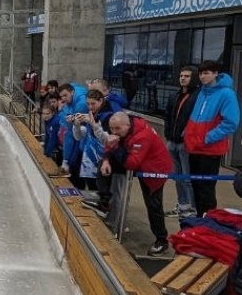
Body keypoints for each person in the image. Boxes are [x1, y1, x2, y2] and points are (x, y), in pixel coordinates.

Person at [101, 112, 173, 255]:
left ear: (127, 125)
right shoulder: (126, 127)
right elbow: (111, 141)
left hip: (154, 170)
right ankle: (103, 200)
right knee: (103, 167)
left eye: (117, 129)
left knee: (153, 205)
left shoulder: (142, 136)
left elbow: (132, 163)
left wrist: (114, 147)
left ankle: (162, 240)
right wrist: (106, 159)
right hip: (138, 160)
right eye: (112, 129)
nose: (114, 132)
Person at [184, 60, 240, 216]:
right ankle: (201, 219)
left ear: (216, 73)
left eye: (206, 73)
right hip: (195, 148)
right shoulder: (202, 92)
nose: (202, 76)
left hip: (210, 150)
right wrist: (189, 135)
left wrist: (207, 138)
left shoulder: (226, 94)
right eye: (201, 73)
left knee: (206, 190)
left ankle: (209, 223)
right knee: (196, 187)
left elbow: (231, 123)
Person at [163, 66, 200, 218]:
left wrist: (187, 136)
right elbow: (167, 116)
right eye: (181, 75)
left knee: (187, 178)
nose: (182, 78)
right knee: (177, 177)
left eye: (187, 76)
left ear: (194, 78)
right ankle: (182, 204)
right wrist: (167, 133)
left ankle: (192, 208)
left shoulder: (197, 96)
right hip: (172, 141)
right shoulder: (175, 96)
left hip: (186, 144)